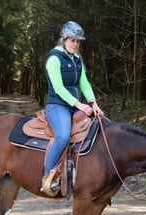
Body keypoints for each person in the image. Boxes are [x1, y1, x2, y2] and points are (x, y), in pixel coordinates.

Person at [41, 21, 104, 194]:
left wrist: (93, 103)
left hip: (76, 106)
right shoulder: (54, 58)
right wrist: (79, 105)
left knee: (97, 130)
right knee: (62, 136)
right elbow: (59, 88)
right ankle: (47, 175)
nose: (75, 44)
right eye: (72, 40)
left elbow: (84, 83)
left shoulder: (77, 59)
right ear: (64, 39)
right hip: (57, 105)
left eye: (78, 41)